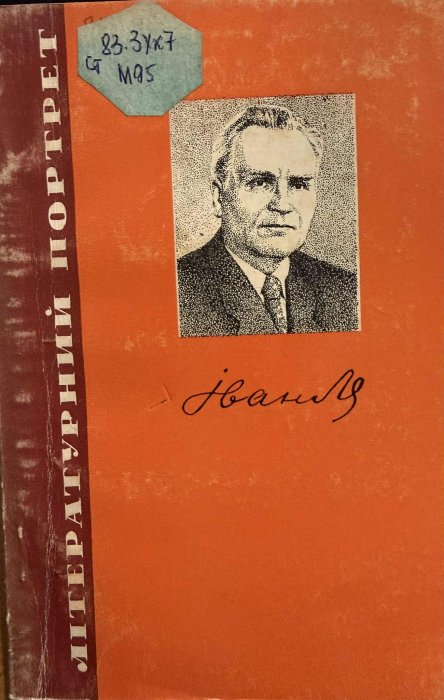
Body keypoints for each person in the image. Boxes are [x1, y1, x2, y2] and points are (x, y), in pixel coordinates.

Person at [177, 105, 358, 337]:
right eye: (260, 182)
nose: (282, 204)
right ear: (218, 197)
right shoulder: (180, 290)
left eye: (299, 184)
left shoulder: (345, 291)